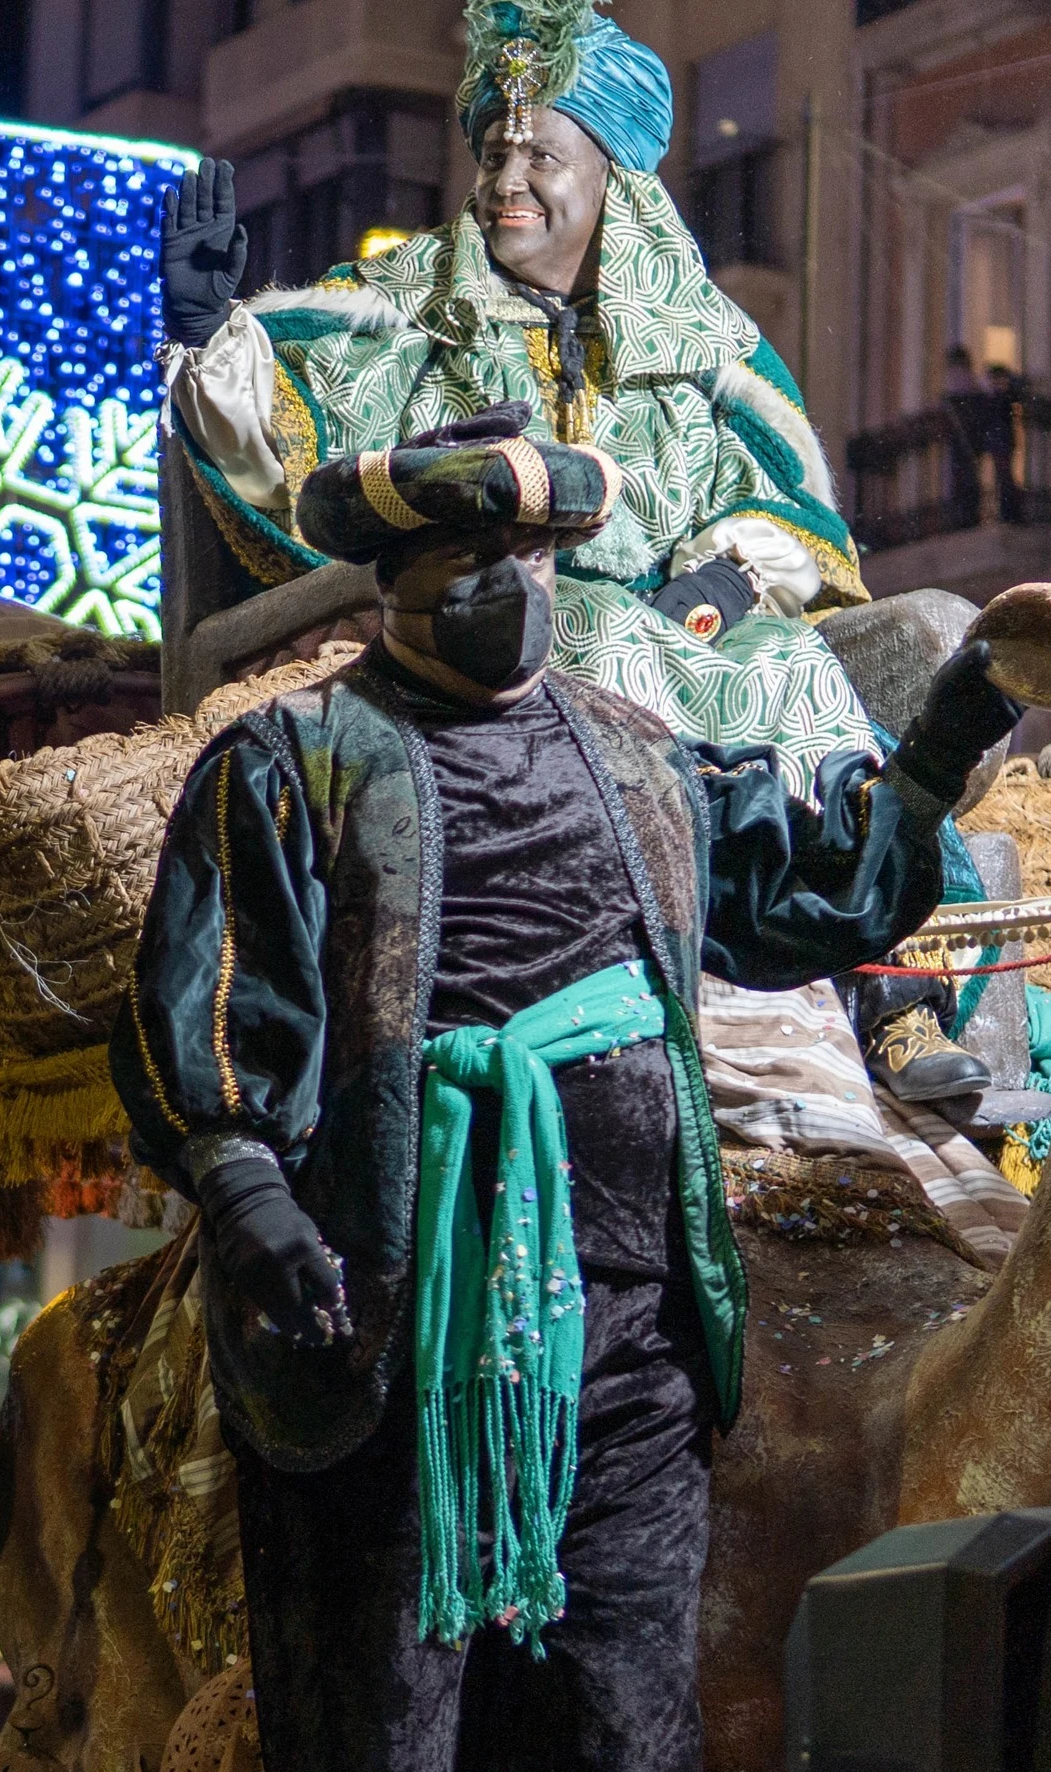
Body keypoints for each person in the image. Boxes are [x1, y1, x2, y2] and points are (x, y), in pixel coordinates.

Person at [118, 417, 1021, 1772]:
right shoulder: (290, 762)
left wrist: (954, 723)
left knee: (621, 1748)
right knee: (381, 1771)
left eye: (530, 561)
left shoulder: (640, 756)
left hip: (627, 1361)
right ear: (395, 583)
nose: (505, 592)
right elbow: (211, 1017)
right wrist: (249, 1202)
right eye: (466, 563)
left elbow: (825, 887)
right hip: (381, 1354)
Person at [156, 0, 991, 1105]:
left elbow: (784, 507)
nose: (508, 176)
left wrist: (730, 574)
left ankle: (892, 993)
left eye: (540, 153)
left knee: (794, 665)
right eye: (495, 149)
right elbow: (296, 453)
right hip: (502, 625)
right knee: (590, 629)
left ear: (616, 183)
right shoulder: (413, 313)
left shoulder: (700, 344)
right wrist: (213, 331)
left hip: (688, 631)